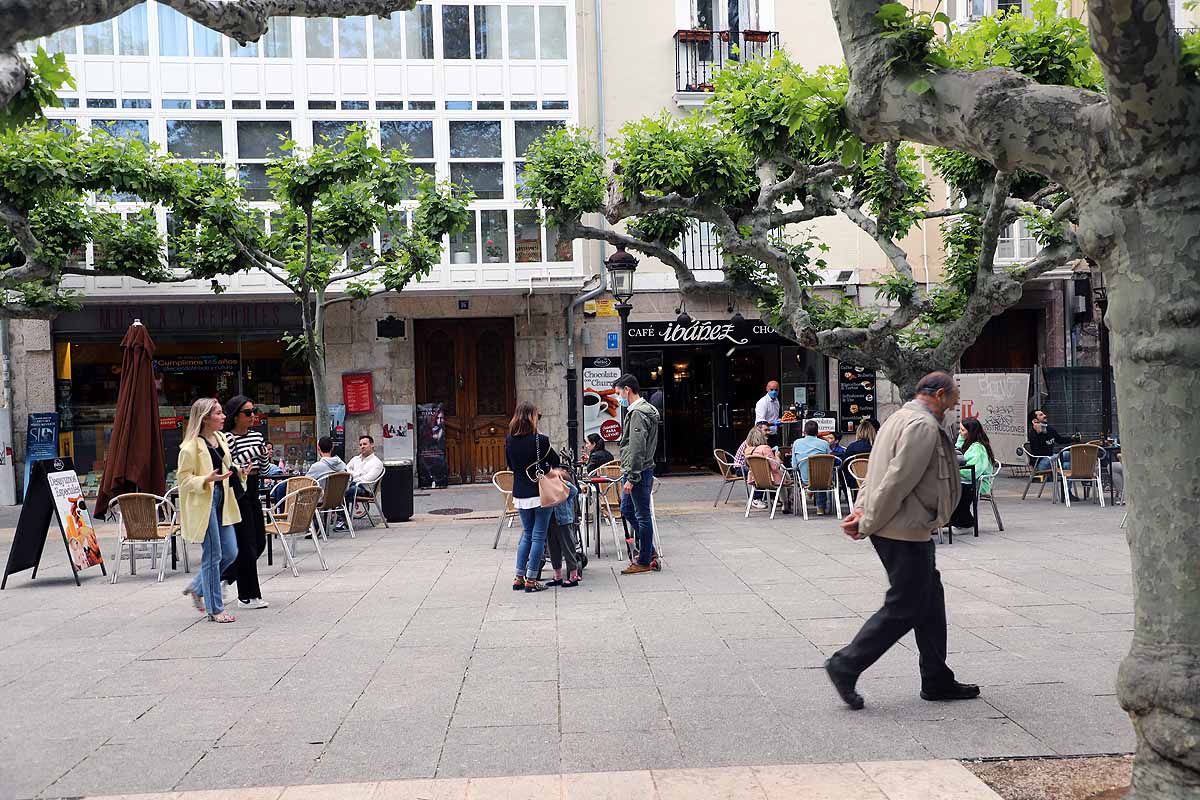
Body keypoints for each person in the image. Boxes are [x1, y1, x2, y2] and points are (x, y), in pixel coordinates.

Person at [825, 372, 978, 710]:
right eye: (953, 398)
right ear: (939, 394)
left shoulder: (897, 418)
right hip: (903, 529)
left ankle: (936, 676)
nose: (955, 405)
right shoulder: (922, 426)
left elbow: (874, 471)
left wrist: (862, 510)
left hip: (903, 526)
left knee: (930, 599)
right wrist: (866, 521)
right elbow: (896, 480)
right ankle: (845, 664)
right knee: (906, 605)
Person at [178, 398, 244, 623]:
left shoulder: (221, 439)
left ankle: (198, 586)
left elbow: (227, 466)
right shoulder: (190, 447)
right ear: (205, 418)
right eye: (218, 413)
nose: (224, 416)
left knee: (231, 552)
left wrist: (240, 472)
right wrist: (206, 479)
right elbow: (184, 481)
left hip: (222, 500)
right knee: (214, 554)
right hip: (203, 502)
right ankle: (215, 609)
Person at [505, 401, 560, 592]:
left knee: (527, 535)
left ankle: (518, 577)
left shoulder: (509, 440)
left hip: (520, 494)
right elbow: (556, 461)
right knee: (538, 537)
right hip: (541, 493)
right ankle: (531, 579)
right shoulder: (541, 440)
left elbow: (510, 466)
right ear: (532, 417)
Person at [221, 395, 269, 610]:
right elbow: (233, 465)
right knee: (246, 544)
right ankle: (248, 596)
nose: (252, 416)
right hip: (238, 490)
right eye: (248, 413)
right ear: (236, 416)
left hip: (254, 487)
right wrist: (256, 451)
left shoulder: (257, 436)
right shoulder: (227, 439)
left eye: (253, 411)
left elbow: (265, 468)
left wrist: (265, 455)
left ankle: (227, 575)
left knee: (259, 541)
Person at [614, 374, 660, 575]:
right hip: (640, 470)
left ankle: (643, 559)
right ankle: (649, 550)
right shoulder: (641, 411)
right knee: (626, 509)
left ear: (627, 390)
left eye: (618, 393)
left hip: (638, 471)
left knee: (642, 515)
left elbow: (637, 447)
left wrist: (632, 477)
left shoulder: (638, 414)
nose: (618, 399)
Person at [270, 436, 347, 506]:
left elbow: (305, 483)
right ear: (332, 448)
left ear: (318, 448)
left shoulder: (317, 467)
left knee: (282, 487)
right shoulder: (342, 465)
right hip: (337, 500)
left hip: (317, 499)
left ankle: (283, 515)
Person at [546, 467, 582, 587]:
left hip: (564, 521)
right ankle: (557, 575)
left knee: (568, 547)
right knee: (553, 549)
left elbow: (574, 491)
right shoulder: (549, 489)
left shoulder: (565, 490)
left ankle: (573, 575)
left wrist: (562, 482)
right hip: (550, 521)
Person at [340, 434, 385, 529]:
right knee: (337, 491)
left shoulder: (377, 463)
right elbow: (345, 469)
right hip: (352, 485)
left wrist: (352, 475)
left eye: (365, 444)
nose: (362, 447)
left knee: (344, 491)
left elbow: (367, 479)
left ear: (372, 445)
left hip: (366, 490)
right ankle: (343, 519)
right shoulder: (355, 459)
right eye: (360, 445)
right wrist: (358, 474)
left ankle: (343, 520)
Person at [791, 421, 833, 513]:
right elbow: (829, 463)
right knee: (822, 477)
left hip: (805, 479)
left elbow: (794, 466)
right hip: (823, 479)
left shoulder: (797, 443)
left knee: (815, 479)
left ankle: (810, 489)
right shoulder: (824, 444)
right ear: (817, 432)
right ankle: (820, 508)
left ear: (804, 432)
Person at [742, 426, 780, 509]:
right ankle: (785, 501)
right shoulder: (765, 448)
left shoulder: (748, 450)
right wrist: (777, 457)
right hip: (770, 480)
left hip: (755, 479)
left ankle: (760, 499)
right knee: (784, 473)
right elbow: (775, 467)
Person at [957, 418, 998, 495]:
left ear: (970, 433)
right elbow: (958, 449)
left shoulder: (978, 449)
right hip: (971, 481)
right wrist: (961, 437)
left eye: (962, 430)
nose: (959, 432)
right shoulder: (971, 443)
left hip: (979, 485)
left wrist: (954, 471)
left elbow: (971, 473)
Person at [754, 380, 782, 446]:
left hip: (773, 434)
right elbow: (760, 423)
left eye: (776, 390)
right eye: (771, 389)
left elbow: (774, 417)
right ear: (767, 389)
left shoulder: (776, 401)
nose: (774, 392)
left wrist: (780, 421)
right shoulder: (762, 402)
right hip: (763, 436)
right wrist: (774, 423)